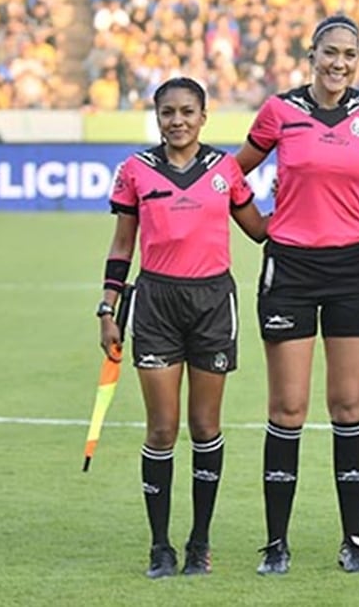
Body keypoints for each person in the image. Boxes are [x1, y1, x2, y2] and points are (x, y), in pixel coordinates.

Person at [234, 14, 359, 575]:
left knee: (349, 405)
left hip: (352, 267)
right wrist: (261, 227)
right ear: (312, 53)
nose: (339, 63)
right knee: (288, 407)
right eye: (330, 52)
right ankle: (275, 542)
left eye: (349, 54)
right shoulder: (280, 111)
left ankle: (353, 539)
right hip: (292, 269)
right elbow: (229, 176)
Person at [98, 77, 267, 578]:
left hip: (213, 303)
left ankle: (199, 543)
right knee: (162, 428)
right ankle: (160, 547)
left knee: (205, 427)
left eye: (187, 112)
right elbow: (122, 245)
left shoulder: (225, 169)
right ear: (157, 117)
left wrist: (302, 200)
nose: (177, 121)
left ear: (204, 116)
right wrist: (107, 308)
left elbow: (259, 230)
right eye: (168, 112)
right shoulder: (135, 170)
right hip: (155, 304)